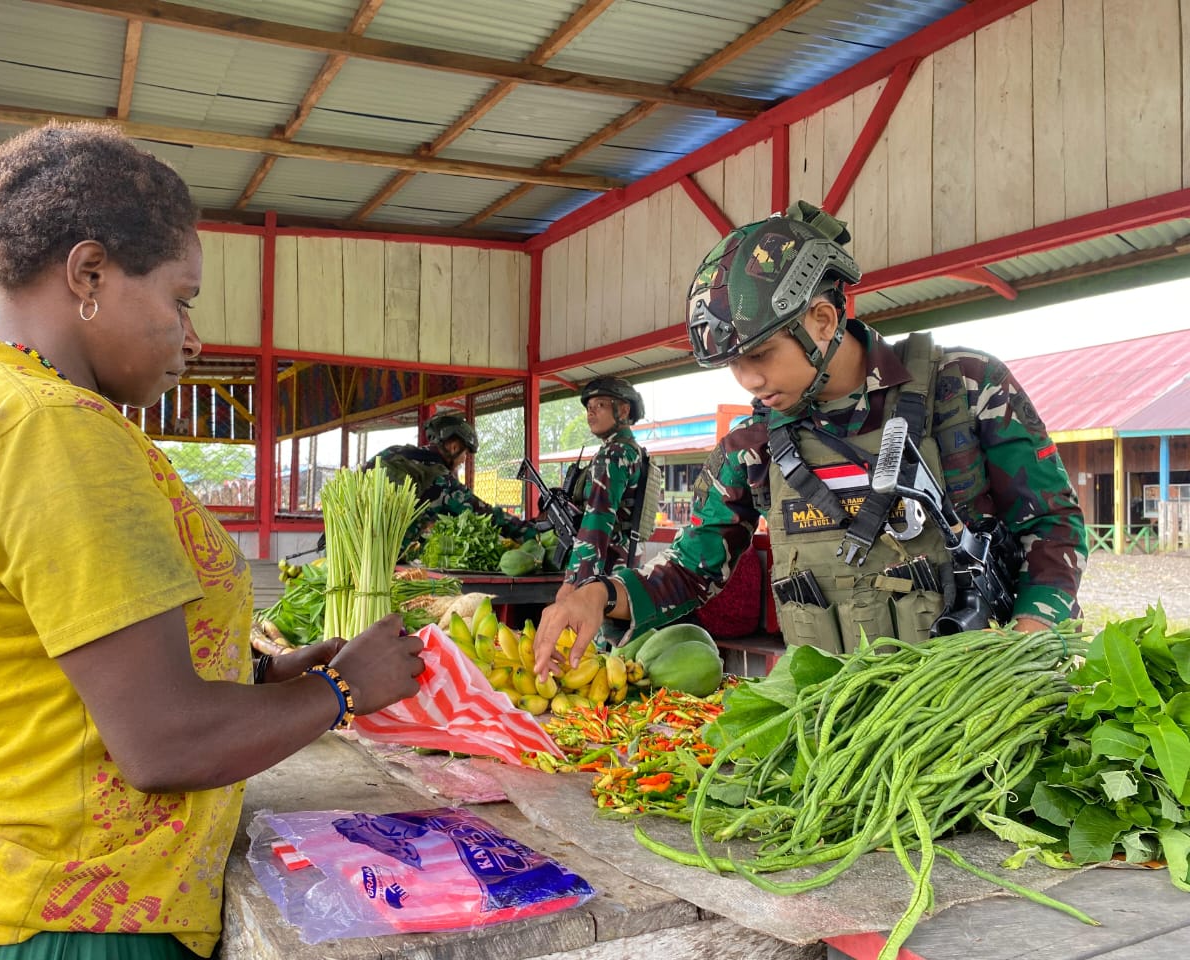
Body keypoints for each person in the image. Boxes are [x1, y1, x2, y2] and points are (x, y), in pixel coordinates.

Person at [0, 123, 425, 959]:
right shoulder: (54, 432)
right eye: (180, 300)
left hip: (3, 886)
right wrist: (341, 690)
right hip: (76, 922)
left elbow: (43, 666)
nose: (193, 338)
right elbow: (163, 742)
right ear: (89, 273)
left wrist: (261, 674)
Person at [535, 200, 1088, 678]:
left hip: (973, 714)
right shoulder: (751, 444)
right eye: (733, 364)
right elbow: (690, 569)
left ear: (822, 320)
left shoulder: (964, 387)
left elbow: (1053, 526)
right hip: (833, 729)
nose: (748, 380)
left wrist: (1026, 637)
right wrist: (599, 594)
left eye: (759, 355)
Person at [554, 379, 649, 642]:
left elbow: (597, 521)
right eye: (588, 407)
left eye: (601, 405)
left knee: (591, 648)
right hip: (622, 563)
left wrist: (574, 581)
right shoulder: (630, 450)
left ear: (624, 410)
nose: (590, 412)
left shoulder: (614, 455)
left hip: (605, 568)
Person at [367, 410, 537, 556]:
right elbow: (487, 516)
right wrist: (534, 532)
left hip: (353, 544)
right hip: (380, 558)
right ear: (454, 447)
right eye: (466, 454)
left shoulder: (394, 452)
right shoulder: (442, 481)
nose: (464, 460)